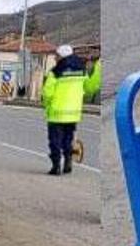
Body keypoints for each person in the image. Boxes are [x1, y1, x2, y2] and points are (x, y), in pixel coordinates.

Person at [41, 45, 102, 175]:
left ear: (61, 57)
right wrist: (98, 69)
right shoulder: (82, 71)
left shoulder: (55, 72)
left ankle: (56, 166)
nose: (55, 58)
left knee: (55, 141)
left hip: (56, 114)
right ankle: (68, 161)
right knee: (68, 139)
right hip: (73, 114)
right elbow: (90, 89)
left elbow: (47, 93)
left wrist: (47, 105)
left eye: (56, 56)